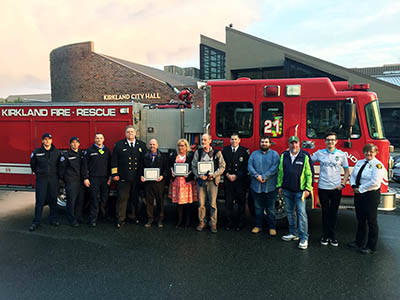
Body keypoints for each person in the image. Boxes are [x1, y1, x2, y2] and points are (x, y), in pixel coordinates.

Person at [311, 132, 350, 246]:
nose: (330, 142)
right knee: (325, 212)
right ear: (325, 141)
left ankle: (332, 236)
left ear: (336, 141)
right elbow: (308, 162)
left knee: (333, 213)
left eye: (332, 140)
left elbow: (347, 171)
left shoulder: (342, 155)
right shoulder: (319, 153)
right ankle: (324, 236)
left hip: (336, 188)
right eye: (328, 140)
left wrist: (343, 184)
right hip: (323, 187)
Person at [277, 136, 313, 250]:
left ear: (299, 144)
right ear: (289, 144)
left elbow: (309, 174)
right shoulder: (284, 155)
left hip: (300, 191)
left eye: (296, 143)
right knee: (289, 212)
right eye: (292, 143)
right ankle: (293, 233)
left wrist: (308, 189)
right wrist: (279, 185)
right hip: (287, 190)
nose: (294, 145)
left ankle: (304, 238)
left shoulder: (305, 156)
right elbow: (280, 172)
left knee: (301, 214)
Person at [349, 144, 385, 254]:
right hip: (359, 194)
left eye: (371, 152)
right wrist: (354, 186)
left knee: (371, 221)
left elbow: (375, 182)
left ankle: (371, 246)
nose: (368, 154)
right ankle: (359, 242)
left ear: (376, 153)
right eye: (366, 152)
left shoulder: (378, 165)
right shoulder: (359, 162)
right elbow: (353, 175)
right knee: (360, 219)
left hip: (371, 195)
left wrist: (360, 189)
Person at [111, 125, 146, 229]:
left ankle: (133, 216)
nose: (130, 133)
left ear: (135, 133)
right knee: (122, 199)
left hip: (136, 178)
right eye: (128, 132)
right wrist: (114, 174)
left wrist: (144, 175)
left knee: (134, 198)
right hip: (123, 177)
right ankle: (120, 219)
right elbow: (114, 161)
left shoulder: (142, 145)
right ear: (125, 134)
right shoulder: (119, 145)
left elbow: (145, 161)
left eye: (132, 132)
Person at [192, 133, 226, 233]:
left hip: (212, 182)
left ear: (210, 141)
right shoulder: (198, 152)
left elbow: (222, 166)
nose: (203, 142)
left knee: (212, 204)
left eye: (205, 140)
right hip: (201, 181)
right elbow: (193, 166)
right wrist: (199, 175)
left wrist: (214, 175)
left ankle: (213, 223)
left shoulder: (217, 152)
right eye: (202, 140)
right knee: (201, 204)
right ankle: (202, 222)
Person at [29, 133, 62, 231]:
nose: (47, 141)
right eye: (45, 139)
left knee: (53, 200)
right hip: (41, 179)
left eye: (49, 139)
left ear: (52, 141)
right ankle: (36, 222)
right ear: (42, 141)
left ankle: (53, 219)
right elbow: (33, 164)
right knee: (40, 200)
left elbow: (60, 165)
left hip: (53, 179)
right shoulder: (37, 151)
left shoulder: (57, 152)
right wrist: (39, 173)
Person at [248, 136, 280, 235]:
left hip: (270, 186)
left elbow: (275, 167)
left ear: (270, 144)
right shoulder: (254, 154)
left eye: (266, 142)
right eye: (262, 142)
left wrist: (265, 176)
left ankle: (272, 227)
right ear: (260, 143)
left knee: (270, 209)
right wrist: (257, 176)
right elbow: (250, 166)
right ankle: (258, 226)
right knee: (258, 208)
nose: (264, 143)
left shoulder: (275, 155)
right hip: (256, 186)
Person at [82, 133, 111, 227]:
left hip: (105, 179)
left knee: (105, 198)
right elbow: (84, 165)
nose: (99, 139)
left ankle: (104, 216)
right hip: (93, 178)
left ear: (104, 139)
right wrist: (85, 178)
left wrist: (110, 177)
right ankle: (93, 219)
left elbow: (110, 165)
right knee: (94, 199)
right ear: (94, 139)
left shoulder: (107, 150)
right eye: (97, 138)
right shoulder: (89, 150)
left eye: (101, 138)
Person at [222, 133, 249, 231]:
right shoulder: (225, 150)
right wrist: (227, 175)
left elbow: (246, 166)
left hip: (240, 181)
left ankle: (240, 223)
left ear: (239, 140)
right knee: (228, 203)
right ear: (229, 140)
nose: (234, 141)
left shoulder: (244, 151)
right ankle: (229, 223)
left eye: (235, 139)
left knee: (241, 203)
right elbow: (221, 164)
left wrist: (237, 176)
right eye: (232, 139)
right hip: (228, 180)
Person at [168, 138, 197, 228]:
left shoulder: (190, 156)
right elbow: (170, 166)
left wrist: (189, 173)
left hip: (187, 183)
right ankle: (180, 220)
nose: (181, 147)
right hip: (177, 182)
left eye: (183, 145)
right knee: (179, 203)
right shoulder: (174, 156)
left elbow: (194, 167)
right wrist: (171, 172)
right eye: (179, 146)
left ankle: (187, 221)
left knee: (187, 203)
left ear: (186, 146)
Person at [141, 139, 167, 228]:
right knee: (149, 202)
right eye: (151, 144)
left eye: (154, 144)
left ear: (157, 145)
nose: (152, 146)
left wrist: (162, 176)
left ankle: (160, 220)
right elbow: (141, 168)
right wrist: (142, 176)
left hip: (159, 183)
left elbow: (166, 169)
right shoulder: (145, 156)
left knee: (160, 201)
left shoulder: (162, 156)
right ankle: (150, 219)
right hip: (148, 183)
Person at [60, 136, 85, 227]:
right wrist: (66, 180)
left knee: (80, 200)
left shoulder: (81, 154)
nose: (75, 144)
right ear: (70, 144)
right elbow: (61, 170)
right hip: (71, 181)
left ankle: (78, 217)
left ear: (79, 144)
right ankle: (72, 219)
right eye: (73, 142)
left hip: (81, 181)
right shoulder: (66, 155)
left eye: (76, 142)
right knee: (71, 201)